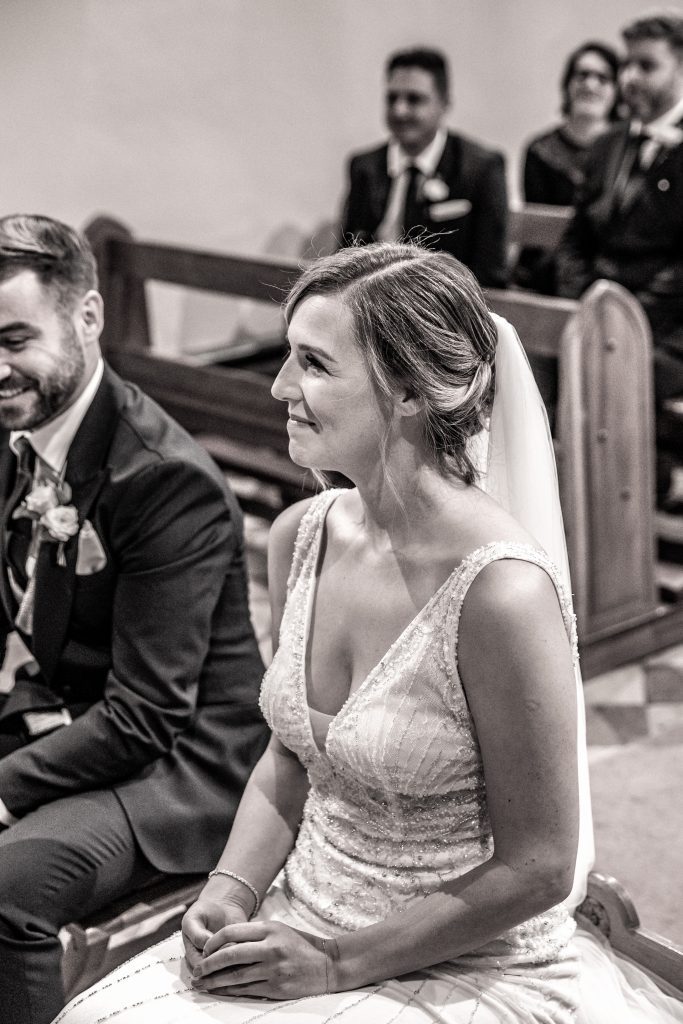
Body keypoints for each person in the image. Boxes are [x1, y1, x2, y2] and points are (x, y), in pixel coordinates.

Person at [55, 243, 683, 1024]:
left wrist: (333, 964)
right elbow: (291, 757)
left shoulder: (500, 593)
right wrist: (229, 890)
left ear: (412, 390)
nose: (280, 386)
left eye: (313, 364)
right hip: (301, 912)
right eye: (288, 357)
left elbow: (540, 865)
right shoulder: (300, 535)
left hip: (463, 958)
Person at [0, 214, 269, 1024]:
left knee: (6, 892)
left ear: (87, 316)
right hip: (75, 710)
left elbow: (148, 713)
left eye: (15, 337)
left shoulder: (161, 479)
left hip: (181, 763)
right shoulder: (20, 431)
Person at [555, 14, 683, 509]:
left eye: (646, 65)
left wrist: (625, 316)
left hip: (668, 328)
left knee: (611, 373)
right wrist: (585, 300)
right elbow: (574, 240)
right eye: (626, 63)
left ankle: (624, 507)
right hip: (595, 312)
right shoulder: (609, 144)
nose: (628, 77)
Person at [340, 47, 509, 286]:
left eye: (414, 99)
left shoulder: (481, 169)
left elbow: (489, 272)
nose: (399, 110)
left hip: (443, 306)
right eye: (392, 98)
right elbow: (346, 254)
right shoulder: (364, 167)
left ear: (444, 103)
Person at [514, 41, 620, 294]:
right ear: (567, 84)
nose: (590, 84)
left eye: (602, 78)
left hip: (611, 273)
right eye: (581, 75)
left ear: (617, 90)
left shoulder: (626, 151)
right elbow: (541, 229)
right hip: (545, 272)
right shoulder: (540, 150)